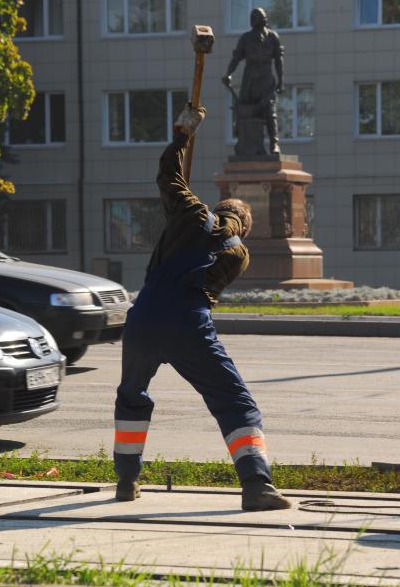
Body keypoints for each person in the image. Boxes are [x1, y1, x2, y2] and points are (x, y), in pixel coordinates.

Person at [113, 104, 291, 511]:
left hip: (141, 318)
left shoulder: (192, 213)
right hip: (188, 324)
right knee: (234, 401)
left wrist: (182, 135)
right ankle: (256, 486)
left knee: (131, 395)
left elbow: (166, 174)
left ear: (218, 208)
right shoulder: (239, 254)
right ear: (244, 226)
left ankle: (126, 481)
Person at [222, 7, 284, 155]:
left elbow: (278, 61)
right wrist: (228, 74)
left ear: (265, 20)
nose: (256, 20)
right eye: (254, 18)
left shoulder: (273, 37)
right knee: (243, 109)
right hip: (250, 79)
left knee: (269, 111)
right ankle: (243, 142)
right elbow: (236, 58)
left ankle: (274, 144)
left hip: (266, 78)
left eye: (259, 17)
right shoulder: (246, 38)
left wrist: (281, 81)